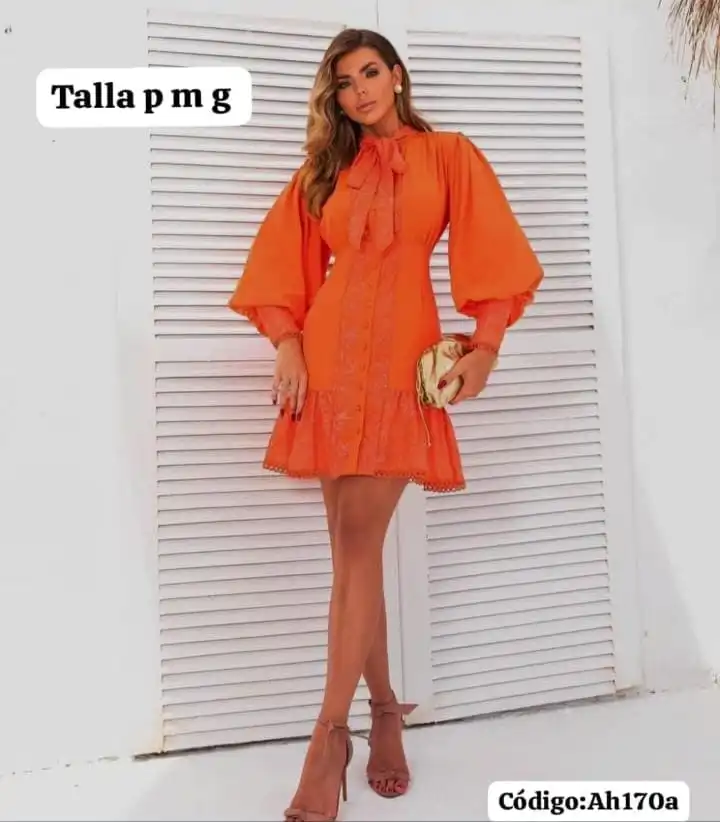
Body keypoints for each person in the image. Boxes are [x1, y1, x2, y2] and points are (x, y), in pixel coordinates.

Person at [228, 27, 543, 822]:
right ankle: (384, 712)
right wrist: (289, 345)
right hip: (330, 362)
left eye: (370, 72)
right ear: (334, 97)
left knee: (358, 544)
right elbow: (281, 264)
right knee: (351, 554)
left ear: (397, 76)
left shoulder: (449, 157)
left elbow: (495, 253)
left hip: (404, 365)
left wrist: (487, 346)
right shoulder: (323, 171)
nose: (360, 90)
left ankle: (327, 738)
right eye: (344, 82)